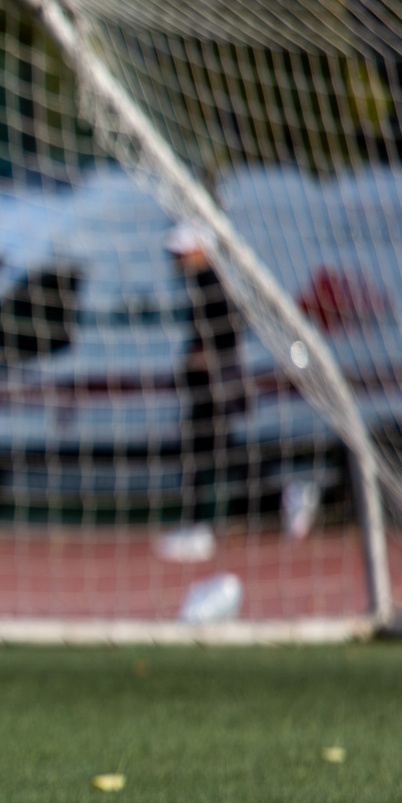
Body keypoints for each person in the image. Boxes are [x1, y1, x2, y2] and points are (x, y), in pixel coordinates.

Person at [157, 224, 247, 563]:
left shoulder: (212, 283)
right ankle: (199, 525)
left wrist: (207, 357)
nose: (176, 260)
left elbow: (229, 329)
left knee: (204, 454)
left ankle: (198, 528)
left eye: (181, 253)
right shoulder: (199, 284)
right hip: (209, 386)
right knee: (219, 453)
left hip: (214, 389)